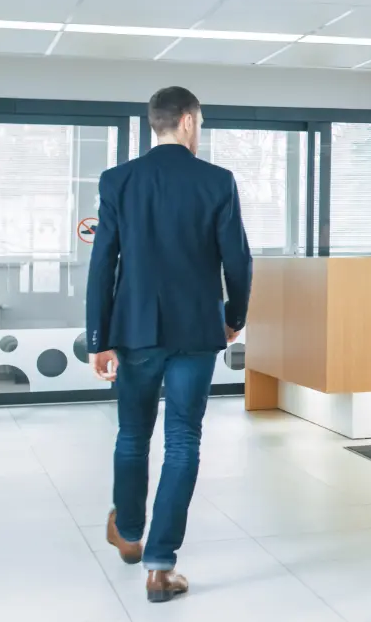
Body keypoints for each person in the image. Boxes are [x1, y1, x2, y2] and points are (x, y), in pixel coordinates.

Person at [86, 86, 253, 604]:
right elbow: (238, 262)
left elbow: (104, 262)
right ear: (186, 122)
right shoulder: (217, 182)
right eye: (198, 122)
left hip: (134, 332)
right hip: (196, 333)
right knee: (183, 441)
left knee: (132, 436)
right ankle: (161, 566)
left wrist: (99, 336)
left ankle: (130, 532)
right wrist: (233, 318)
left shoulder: (119, 181)